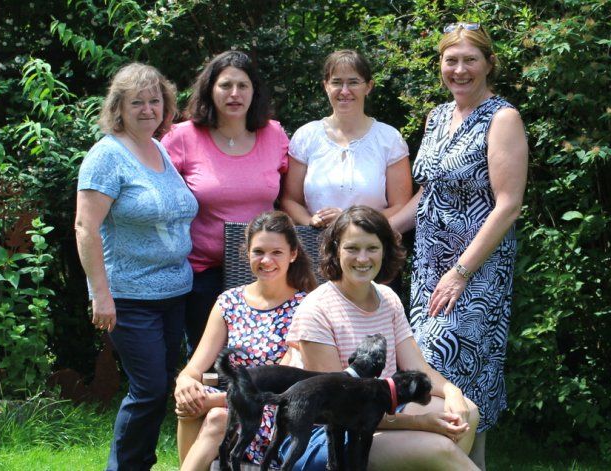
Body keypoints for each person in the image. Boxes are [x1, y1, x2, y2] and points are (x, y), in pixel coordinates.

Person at [390, 22, 529, 470]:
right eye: (451, 60)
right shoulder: (436, 117)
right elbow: (428, 195)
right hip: (429, 269)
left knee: (440, 369)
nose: (460, 69)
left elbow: (508, 205)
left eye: (471, 60)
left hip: (475, 273)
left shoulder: (502, 119)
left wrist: (461, 272)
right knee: (457, 380)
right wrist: (378, 229)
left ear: (489, 64)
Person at [284, 206, 480, 470]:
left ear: (385, 250)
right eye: (352, 248)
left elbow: (417, 367)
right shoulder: (316, 309)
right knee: (439, 449)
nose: (362, 258)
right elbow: (341, 408)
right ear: (336, 250)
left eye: (372, 248)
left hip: (377, 415)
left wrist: (452, 391)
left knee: (466, 411)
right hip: (327, 436)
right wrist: (419, 423)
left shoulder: (387, 298)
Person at [74, 62, 196, 470]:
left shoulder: (158, 149)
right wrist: (100, 294)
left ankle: (139, 463)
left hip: (174, 292)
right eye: (137, 103)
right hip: (129, 295)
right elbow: (85, 227)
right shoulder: (107, 156)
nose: (148, 110)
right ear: (119, 108)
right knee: (149, 389)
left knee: (157, 389)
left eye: (154, 101)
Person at [163, 50, 291, 356]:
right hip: (202, 272)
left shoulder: (274, 134)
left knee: (262, 357)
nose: (235, 94)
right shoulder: (182, 136)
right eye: (225, 85)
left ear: (254, 91)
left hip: (264, 268)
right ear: (210, 89)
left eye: (243, 85)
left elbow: (290, 198)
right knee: (207, 359)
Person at [172, 211, 318, 471]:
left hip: (274, 411)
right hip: (232, 404)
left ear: (293, 254)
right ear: (247, 253)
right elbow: (195, 367)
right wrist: (185, 383)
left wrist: (214, 400)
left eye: (277, 252)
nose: (266, 260)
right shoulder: (229, 302)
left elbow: (280, 383)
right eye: (258, 252)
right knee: (190, 404)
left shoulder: (305, 307)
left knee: (216, 416)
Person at [280, 50, 412, 229]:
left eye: (353, 82)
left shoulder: (389, 139)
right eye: (336, 82)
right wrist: (310, 222)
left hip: (370, 241)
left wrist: (350, 221)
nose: (344, 91)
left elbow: (401, 206)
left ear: (368, 87)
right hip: (314, 241)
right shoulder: (306, 136)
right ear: (326, 86)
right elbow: (290, 200)